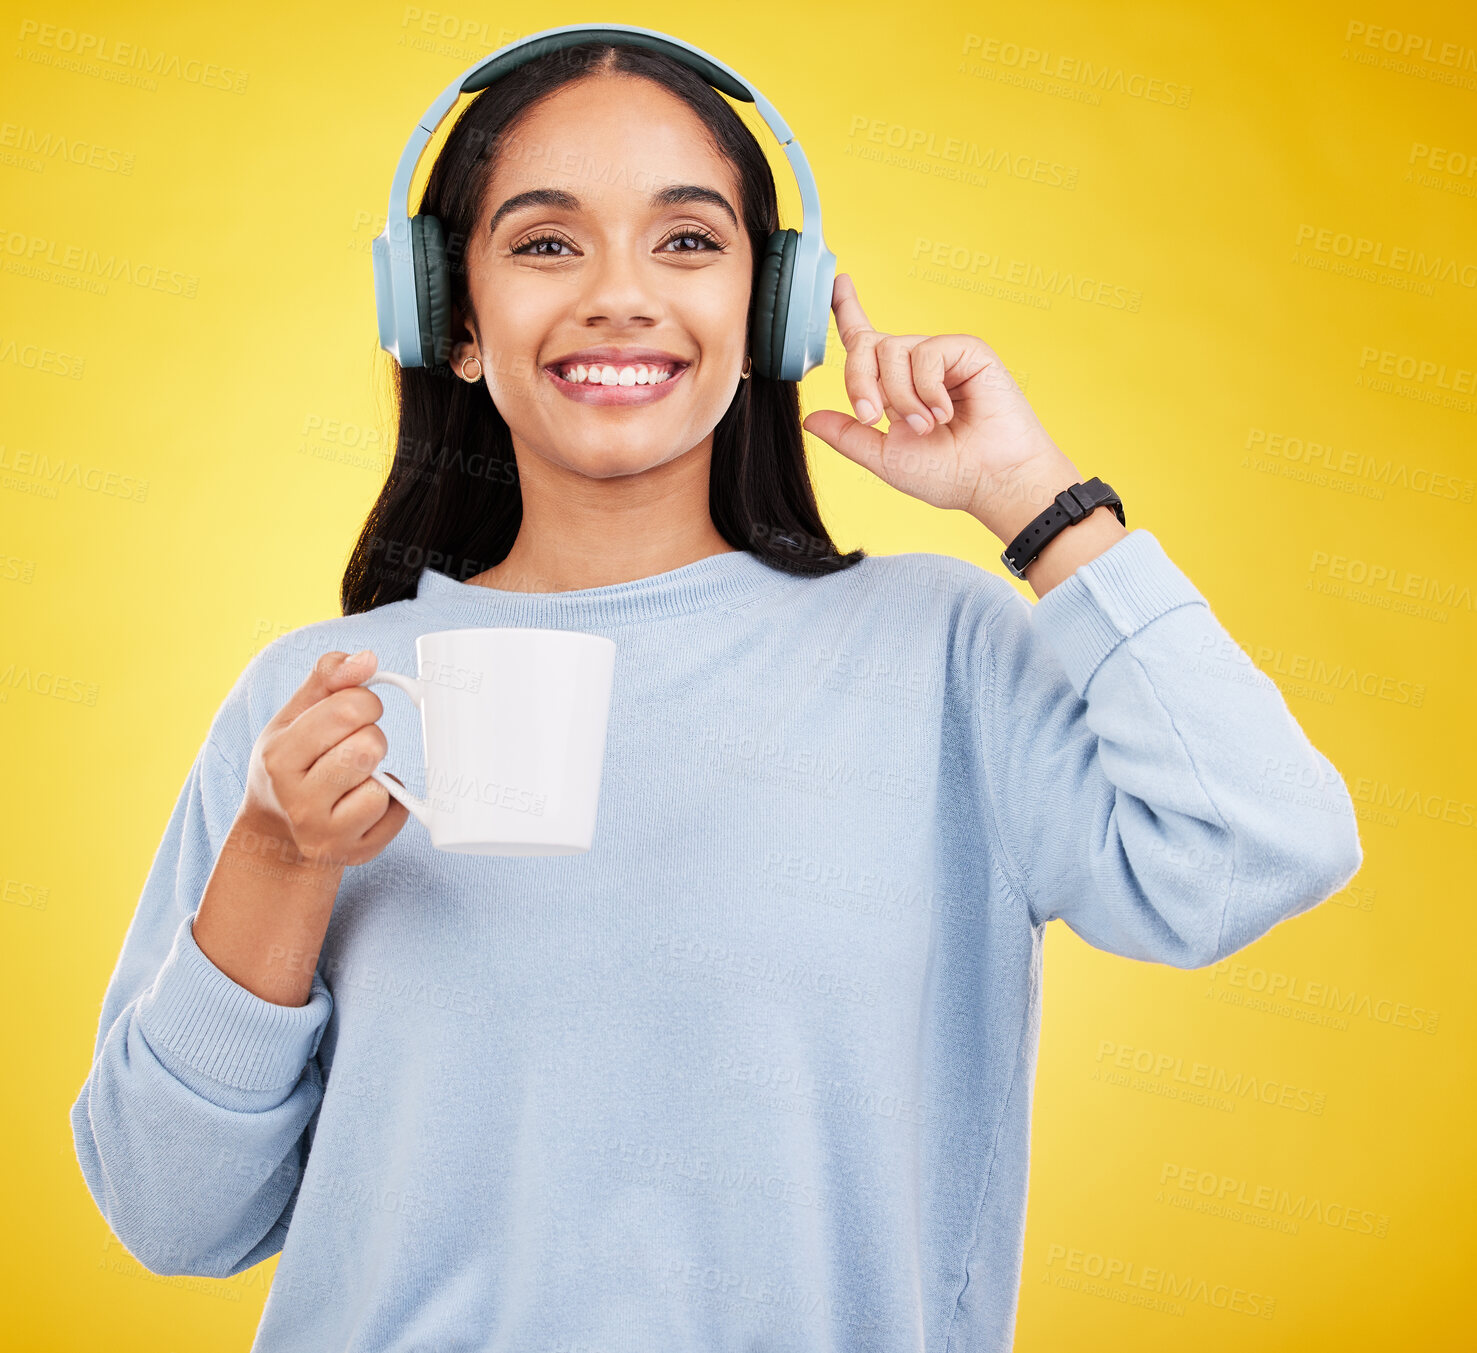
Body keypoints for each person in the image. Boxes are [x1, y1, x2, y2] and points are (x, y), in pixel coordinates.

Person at [70, 38, 1363, 1353]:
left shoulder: (937, 651)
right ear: (447, 320)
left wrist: (1037, 503)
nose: (620, 295)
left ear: (770, 315)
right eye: (544, 244)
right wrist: (281, 857)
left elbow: (1264, 843)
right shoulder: (317, 704)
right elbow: (175, 1217)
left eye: (686, 243)